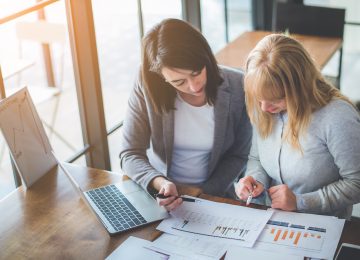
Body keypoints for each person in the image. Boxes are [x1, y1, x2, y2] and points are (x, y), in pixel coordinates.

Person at [119, 18, 252, 211]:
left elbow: (239, 155)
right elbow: (130, 153)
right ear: (161, 77)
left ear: (205, 57)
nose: (194, 86)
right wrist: (160, 184)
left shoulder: (239, 86)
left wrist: (201, 193)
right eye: (179, 82)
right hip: (156, 195)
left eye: (197, 72)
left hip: (213, 195)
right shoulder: (146, 83)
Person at [235, 34, 360, 219]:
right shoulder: (263, 107)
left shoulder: (337, 117)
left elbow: (356, 183)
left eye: (276, 100)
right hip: (271, 218)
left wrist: (300, 201)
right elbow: (257, 158)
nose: (264, 108)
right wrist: (255, 180)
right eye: (259, 99)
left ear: (300, 88)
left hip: (323, 223)